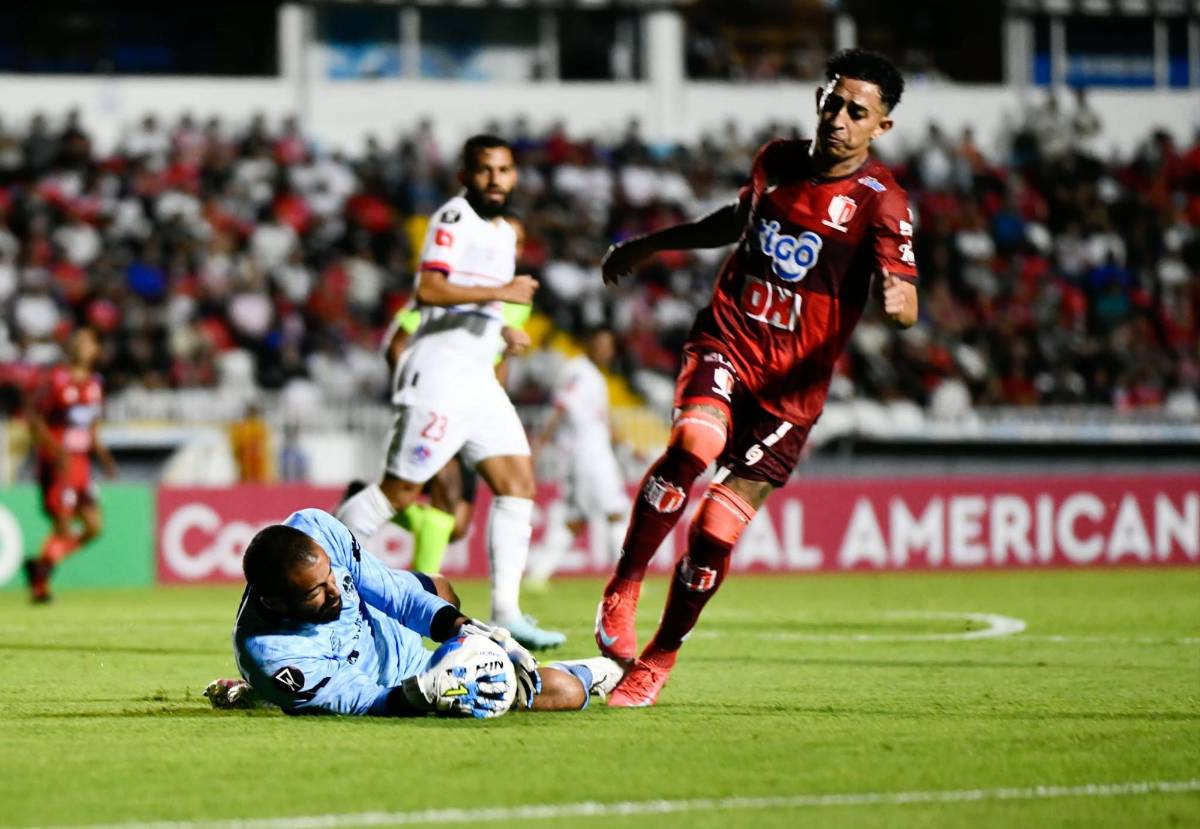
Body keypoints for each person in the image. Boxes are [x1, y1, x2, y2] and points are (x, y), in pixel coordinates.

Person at [594, 49, 919, 706]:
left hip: (790, 398)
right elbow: (736, 221)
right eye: (833, 101)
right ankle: (624, 586)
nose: (839, 118)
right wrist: (651, 244)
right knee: (694, 446)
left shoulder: (882, 204)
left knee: (715, 530)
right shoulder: (776, 159)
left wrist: (899, 303)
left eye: (857, 111)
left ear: (880, 128)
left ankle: (659, 657)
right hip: (728, 341)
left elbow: (906, 296)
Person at [335, 135, 565, 649]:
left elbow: (471, 303)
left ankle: (506, 612)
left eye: (504, 170)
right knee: (395, 495)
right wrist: (503, 295)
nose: (495, 179)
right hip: (439, 376)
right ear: (465, 173)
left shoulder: (507, 232)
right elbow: (430, 290)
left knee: (519, 485)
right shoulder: (454, 219)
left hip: (478, 379)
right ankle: (316, 573)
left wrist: (501, 328)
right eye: (484, 169)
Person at [220, 508, 620, 717]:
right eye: (315, 594)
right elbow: (366, 701)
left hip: (389, 631)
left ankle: (264, 699)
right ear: (273, 602)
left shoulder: (316, 528)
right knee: (566, 692)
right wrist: (426, 690)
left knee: (442, 589)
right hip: (395, 683)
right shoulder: (271, 655)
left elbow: (396, 593)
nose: (335, 593)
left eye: (331, 578)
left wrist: (471, 631)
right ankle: (594, 671)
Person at [526, 327, 630, 587]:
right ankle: (626, 578)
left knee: (575, 519)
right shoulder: (580, 371)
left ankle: (537, 574)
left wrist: (622, 440)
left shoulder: (592, 374)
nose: (608, 351)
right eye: (602, 344)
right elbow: (561, 406)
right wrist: (539, 444)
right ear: (589, 344)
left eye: (610, 346)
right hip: (588, 454)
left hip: (586, 453)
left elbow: (598, 415)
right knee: (616, 510)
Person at [23, 328, 117, 602]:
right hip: (59, 465)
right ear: (72, 348)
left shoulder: (95, 384)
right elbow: (34, 418)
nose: (86, 347)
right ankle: (40, 585)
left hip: (82, 465)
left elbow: (93, 427)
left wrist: (104, 456)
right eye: (82, 342)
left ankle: (41, 566)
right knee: (63, 527)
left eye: (90, 342)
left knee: (94, 526)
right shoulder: (57, 380)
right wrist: (53, 451)